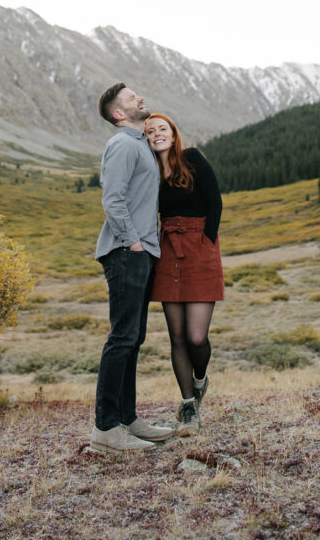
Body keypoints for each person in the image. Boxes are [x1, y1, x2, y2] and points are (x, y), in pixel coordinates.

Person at [90, 83, 177, 455]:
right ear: (118, 114)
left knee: (133, 338)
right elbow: (112, 197)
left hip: (140, 251)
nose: (140, 98)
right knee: (122, 337)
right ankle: (106, 429)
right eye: (131, 98)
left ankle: (127, 419)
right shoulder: (124, 144)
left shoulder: (140, 144)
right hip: (128, 251)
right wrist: (133, 241)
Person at [144, 113, 224, 435]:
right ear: (146, 139)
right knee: (176, 336)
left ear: (174, 135)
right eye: (150, 131)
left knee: (196, 337)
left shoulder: (190, 158)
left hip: (199, 247)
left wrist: (207, 242)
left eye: (163, 129)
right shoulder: (148, 170)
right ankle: (189, 405)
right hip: (168, 249)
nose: (157, 134)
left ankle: (200, 379)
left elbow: (215, 201)